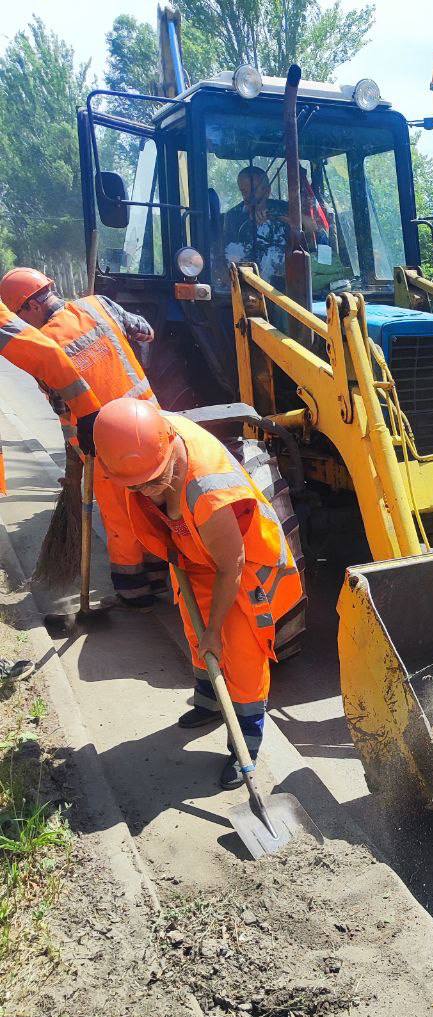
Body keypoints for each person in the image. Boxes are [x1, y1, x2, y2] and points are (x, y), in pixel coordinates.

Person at [93, 399, 304, 789]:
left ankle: (245, 747)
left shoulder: (208, 492)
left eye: (154, 482)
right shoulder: (142, 439)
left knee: (238, 652)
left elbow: (231, 567)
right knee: (196, 634)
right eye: (138, 485)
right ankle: (208, 703)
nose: (147, 491)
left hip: (242, 564)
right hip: (192, 551)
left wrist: (216, 630)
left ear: (170, 448)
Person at [0, 268, 166, 609]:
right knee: (155, 502)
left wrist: (75, 461)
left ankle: (135, 590)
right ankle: (161, 574)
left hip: (105, 444)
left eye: (19, 315)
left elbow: (67, 410)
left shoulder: (43, 347)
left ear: (29, 307)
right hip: (152, 426)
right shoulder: (98, 305)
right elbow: (146, 332)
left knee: (120, 513)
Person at [0, 299, 101, 495]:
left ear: (35, 305)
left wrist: (87, 412)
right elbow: (46, 356)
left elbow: (47, 358)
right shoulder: (94, 307)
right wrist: (87, 411)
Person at [221, 166, 289, 285]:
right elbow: (231, 257)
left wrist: (282, 218)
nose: (248, 197)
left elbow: (312, 227)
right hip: (252, 282)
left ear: (267, 191)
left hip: (289, 279)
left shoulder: (284, 208)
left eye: (253, 191)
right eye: (244, 192)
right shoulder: (233, 217)